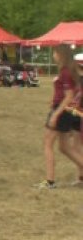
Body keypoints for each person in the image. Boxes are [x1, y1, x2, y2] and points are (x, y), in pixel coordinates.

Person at [34, 45, 83, 189]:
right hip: (64, 110)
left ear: (61, 54)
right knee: (64, 147)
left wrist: (55, 114)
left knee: (48, 143)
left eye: (54, 53)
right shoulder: (68, 71)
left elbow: (69, 96)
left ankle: (50, 181)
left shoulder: (65, 72)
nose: (53, 55)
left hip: (62, 111)